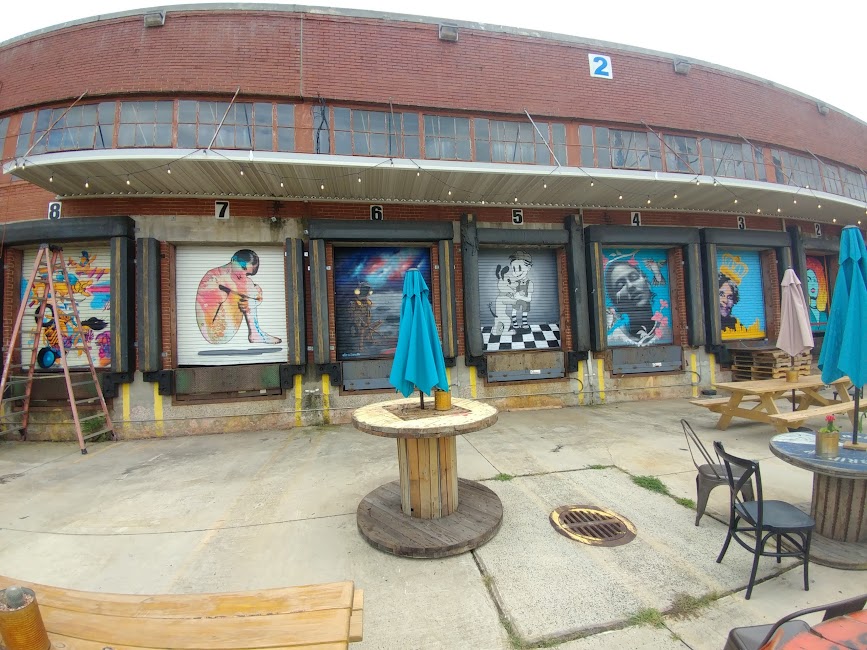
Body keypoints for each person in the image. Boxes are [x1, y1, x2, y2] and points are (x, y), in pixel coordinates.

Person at [195, 249, 282, 345]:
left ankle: (255, 333)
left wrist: (253, 300)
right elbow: (256, 293)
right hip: (215, 332)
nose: (243, 275)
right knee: (249, 290)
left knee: (248, 293)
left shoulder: (221, 275)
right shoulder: (218, 277)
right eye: (243, 267)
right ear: (233, 260)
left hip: (217, 329)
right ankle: (255, 334)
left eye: (247, 274)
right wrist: (255, 300)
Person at [604, 258, 659, 346]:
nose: (630, 286)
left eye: (634, 277)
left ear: (647, 282)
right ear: (615, 303)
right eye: (620, 285)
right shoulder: (614, 340)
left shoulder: (668, 330)